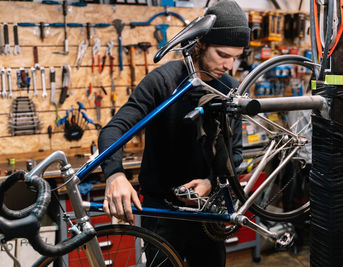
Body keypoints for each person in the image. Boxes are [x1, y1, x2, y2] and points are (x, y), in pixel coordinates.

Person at [98, 1, 250, 266]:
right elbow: (113, 130)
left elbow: (235, 153)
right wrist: (115, 174)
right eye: (222, 54)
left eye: (235, 57)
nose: (229, 65)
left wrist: (211, 182)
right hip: (162, 213)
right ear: (200, 44)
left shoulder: (230, 88)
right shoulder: (163, 81)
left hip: (207, 212)